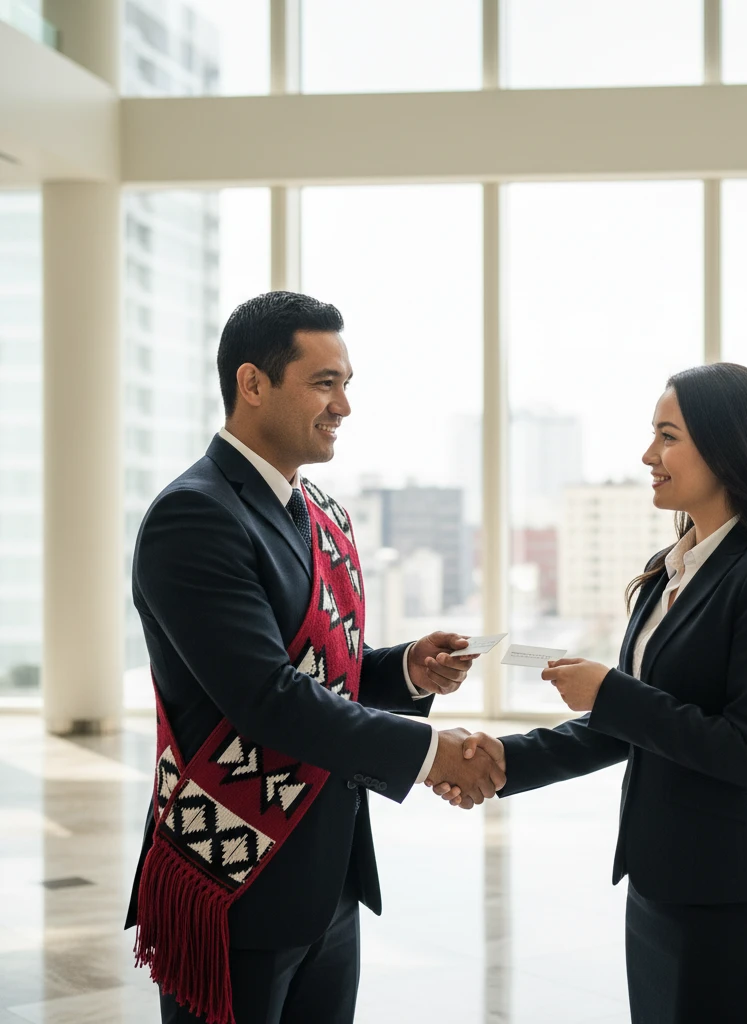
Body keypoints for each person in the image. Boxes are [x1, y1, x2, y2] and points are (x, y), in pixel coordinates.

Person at [126, 291, 506, 1024]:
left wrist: (404, 671)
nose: (344, 406)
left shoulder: (323, 511)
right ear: (253, 384)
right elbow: (266, 695)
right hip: (234, 872)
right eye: (325, 383)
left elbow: (322, 669)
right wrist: (432, 752)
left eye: (347, 384)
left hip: (327, 873)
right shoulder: (195, 515)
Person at [430, 362, 747, 1023]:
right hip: (658, 885)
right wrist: (507, 761)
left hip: (734, 900)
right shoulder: (667, 571)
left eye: (668, 436)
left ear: (728, 446)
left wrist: (610, 692)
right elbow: (630, 726)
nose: (648, 455)